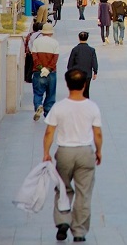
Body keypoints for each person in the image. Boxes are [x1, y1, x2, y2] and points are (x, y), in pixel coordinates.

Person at [43, 69, 103, 243]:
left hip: (64, 153)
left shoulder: (59, 107)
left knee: (63, 188)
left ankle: (62, 222)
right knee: (84, 193)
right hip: (85, 152)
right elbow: (97, 133)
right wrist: (98, 151)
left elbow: (49, 132)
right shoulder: (91, 107)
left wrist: (46, 153)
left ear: (67, 84)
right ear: (84, 85)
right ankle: (79, 231)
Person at [31, 26, 61, 121]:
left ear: (42, 32)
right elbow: (55, 59)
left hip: (38, 71)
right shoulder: (55, 43)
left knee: (38, 93)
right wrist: (48, 69)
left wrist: (41, 67)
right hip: (51, 73)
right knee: (50, 94)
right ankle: (48, 113)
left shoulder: (36, 42)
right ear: (51, 33)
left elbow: (34, 57)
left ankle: (38, 106)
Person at [67, 31, 99, 98]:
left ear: (79, 38)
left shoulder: (75, 49)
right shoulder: (91, 50)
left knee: (77, 91)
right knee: (86, 91)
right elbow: (94, 62)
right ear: (87, 38)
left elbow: (70, 62)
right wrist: (95, 72)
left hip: (77, 74)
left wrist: (70, 73)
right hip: (87, 74)